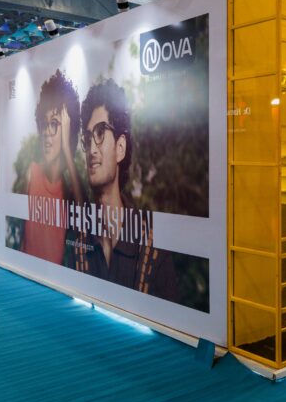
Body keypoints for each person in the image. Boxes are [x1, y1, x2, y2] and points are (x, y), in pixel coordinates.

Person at [67, 79, 177, 301]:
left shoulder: (152, 250)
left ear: (120, 148)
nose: (91, 149)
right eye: (87, 138)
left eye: (100, 133)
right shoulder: (77, 244)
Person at [23, 70, 83, 264]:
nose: (47, 132)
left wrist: (66, 149)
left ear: (68, 131)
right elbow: (24, 238)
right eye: (45, 123)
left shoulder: (70, 190)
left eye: (55, 124)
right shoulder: (32, 173)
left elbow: (86, 218)